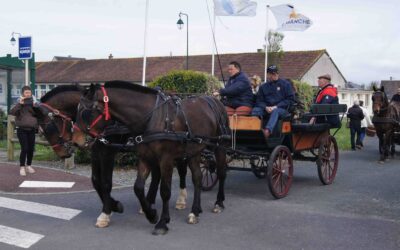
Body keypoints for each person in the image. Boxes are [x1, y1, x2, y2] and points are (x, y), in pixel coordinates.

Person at [251, 65, 295, 138]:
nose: (273, 76)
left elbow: (290, 100)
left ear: (277, 74)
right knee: (255, 110)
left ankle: (267, 131)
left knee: (276, 111)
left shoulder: (285, 84)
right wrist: (265, 107)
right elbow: (259, 101)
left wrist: (276, 107)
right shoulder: (263, 87)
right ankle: (254, 130)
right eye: (270, 74)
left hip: (282, 109)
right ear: (267, 74)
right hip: (267, 109)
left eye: (274, 74)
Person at [9, 86, 39, 176]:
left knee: (30, 149)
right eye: (26, 93)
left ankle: (29, 165)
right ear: (23, 93)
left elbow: (40, 113)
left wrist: (36, 106)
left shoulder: (34, 102)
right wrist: (20, 104)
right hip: (21, 129)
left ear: (31, 93)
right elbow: (12, 112)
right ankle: (22, 167)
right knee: (25, 148)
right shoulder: (19, 102)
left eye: (29, 92)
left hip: (32, 129)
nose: (28, 94)